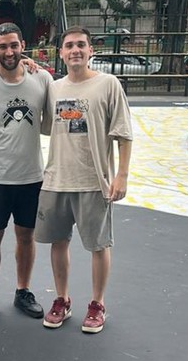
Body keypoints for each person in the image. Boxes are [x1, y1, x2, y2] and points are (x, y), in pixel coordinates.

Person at [35, 26, 133, 334]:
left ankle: (97, 303)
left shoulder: (108, 84)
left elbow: (123, 134)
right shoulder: (53, 87)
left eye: (81, 45)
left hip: (94, 181)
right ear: (61, 53)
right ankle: (62, 299)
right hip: (56, 179)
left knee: (98, 245)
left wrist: (122, 175)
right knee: (57, 242)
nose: (75, 50)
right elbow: (49, 126)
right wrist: (31, 67)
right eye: (69, 46)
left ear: (91, 50)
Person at [0, 22, 53, 323]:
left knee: (26, 237)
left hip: (31, 176)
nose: (9, 51)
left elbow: (54, 122)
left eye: (14, 45)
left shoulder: (41, 78)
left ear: (23, 45)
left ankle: (23, 290)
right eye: (3, 46)